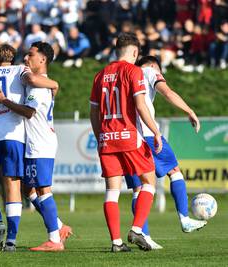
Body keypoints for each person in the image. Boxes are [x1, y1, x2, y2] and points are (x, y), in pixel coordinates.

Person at [0, 43, 58, 251]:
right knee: (13, 184)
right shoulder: (20, 71)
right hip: (15, 133)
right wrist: (54, 84)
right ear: (12, 58)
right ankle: (12, 240)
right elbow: (32, 80)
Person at [89, 32, 163, 252]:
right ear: (134, 52)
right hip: (130, 137)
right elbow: (140, 105)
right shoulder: (134, 71)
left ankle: (116, 242)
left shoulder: (100, 75)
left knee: (112, 191)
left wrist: (100, 136)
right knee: (149, 182)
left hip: (106, 139)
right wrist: (155, 131)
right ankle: (137, 229)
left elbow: (93, 113)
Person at [124, 55, 207, 249]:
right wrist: (189, 111)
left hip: (126, 137)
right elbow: (168, 93)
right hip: (147, 134)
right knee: (174, 171)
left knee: (139, 188)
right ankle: (184, 219)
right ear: (154, 66)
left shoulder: (125, 75)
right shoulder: (150, 71)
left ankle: (143, 234)